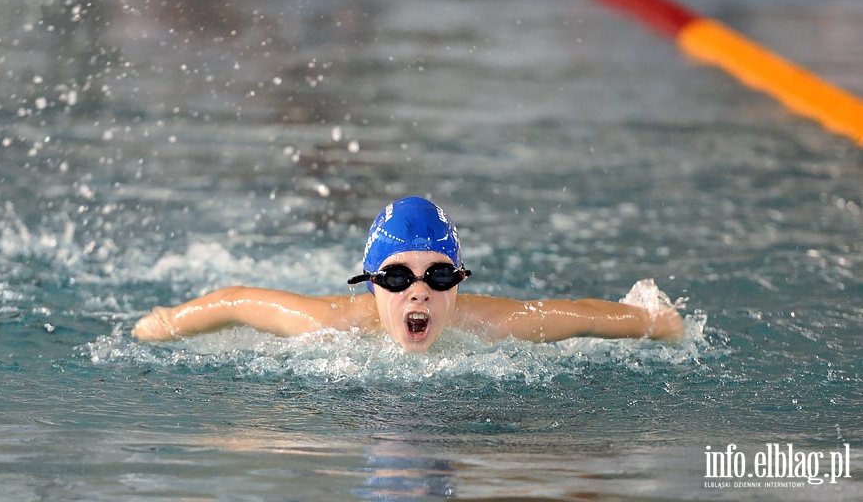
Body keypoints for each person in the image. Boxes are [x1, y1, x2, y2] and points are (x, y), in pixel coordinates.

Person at [132, 196, 684, 352]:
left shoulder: (495, 324)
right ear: (371, 282)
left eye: (438, 277)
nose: (418, 290)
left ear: (459, 283)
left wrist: (654, 321)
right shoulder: (330, 322)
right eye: (397, 278)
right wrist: (159, 325)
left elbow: (580, 316)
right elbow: (233, 301)